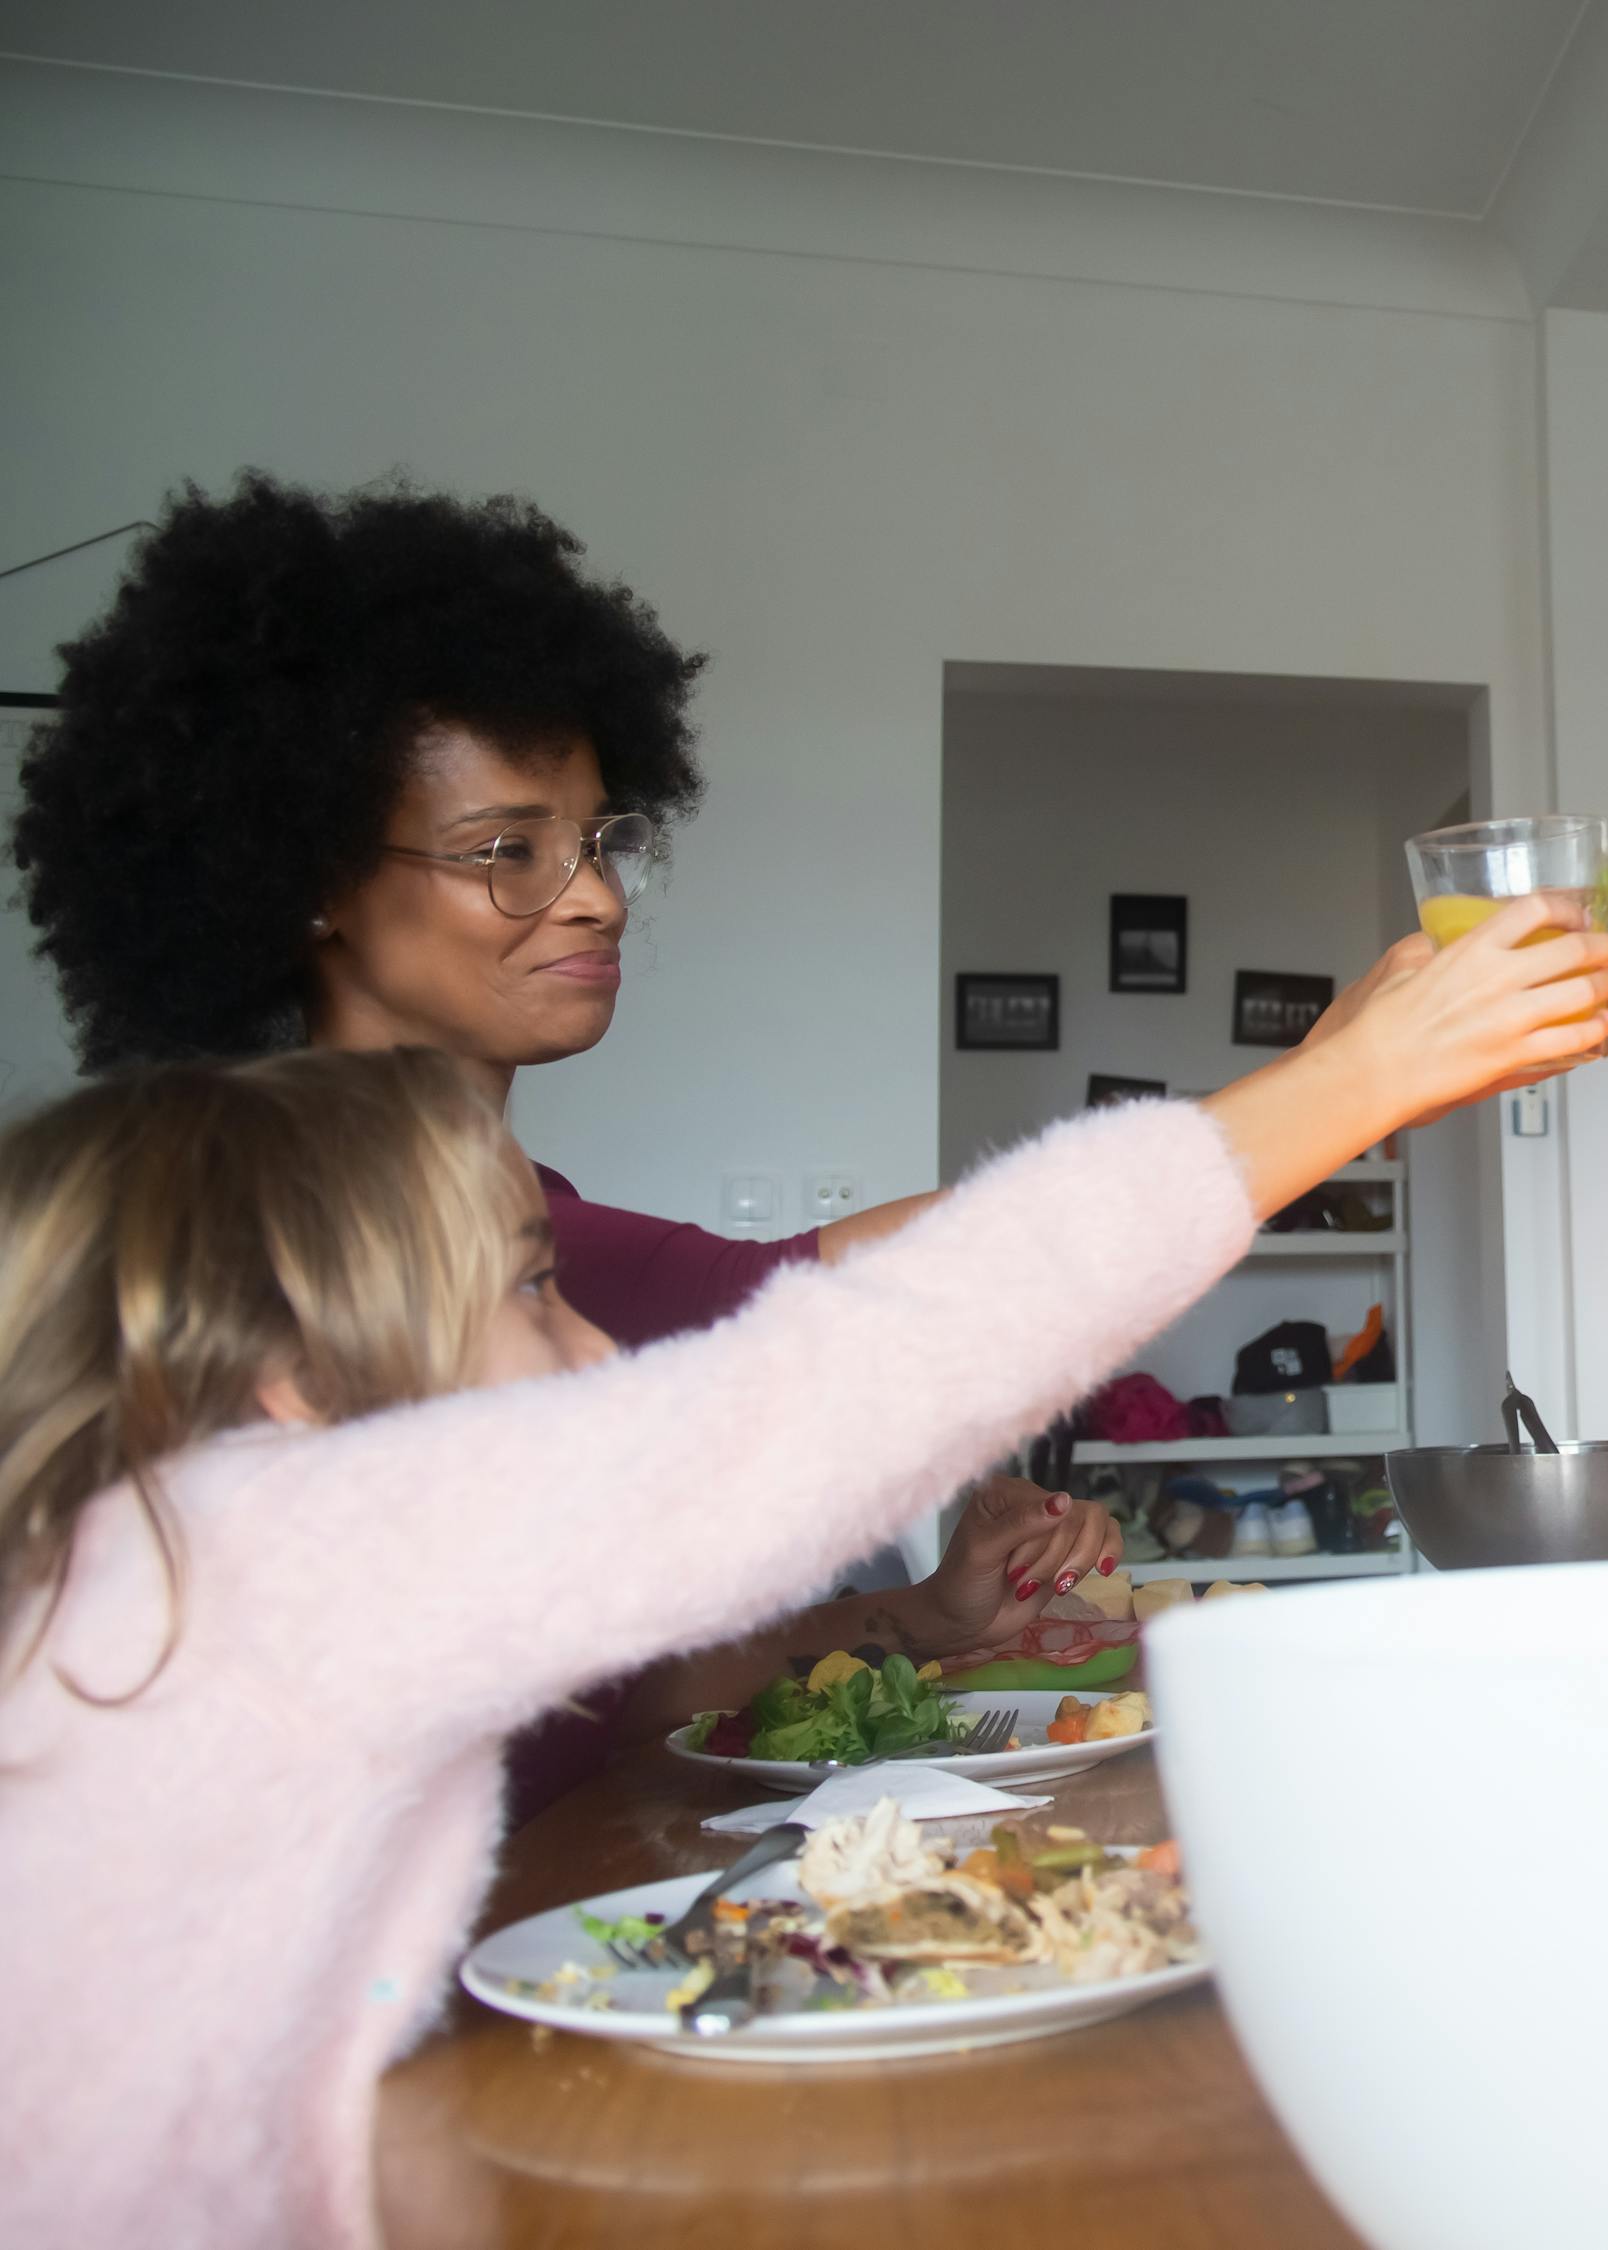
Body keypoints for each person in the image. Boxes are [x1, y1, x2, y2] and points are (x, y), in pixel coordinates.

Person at [0, 892, 1608, 2250]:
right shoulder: (280, 1549)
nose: (595, 1342)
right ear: (297, 1374)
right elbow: (865, 1375)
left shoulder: (166, 1560)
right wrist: (1349, 1089)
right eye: (535, 1290)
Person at [10, 476, 1113, 1807]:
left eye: (592, 841)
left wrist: (927, 1618)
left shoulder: (530, 1212)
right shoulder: (267, 1250)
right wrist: (1352, 1073)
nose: (590, 896)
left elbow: (605, 1690)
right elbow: (801, 1295)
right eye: (506, 851)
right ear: (307, 879)